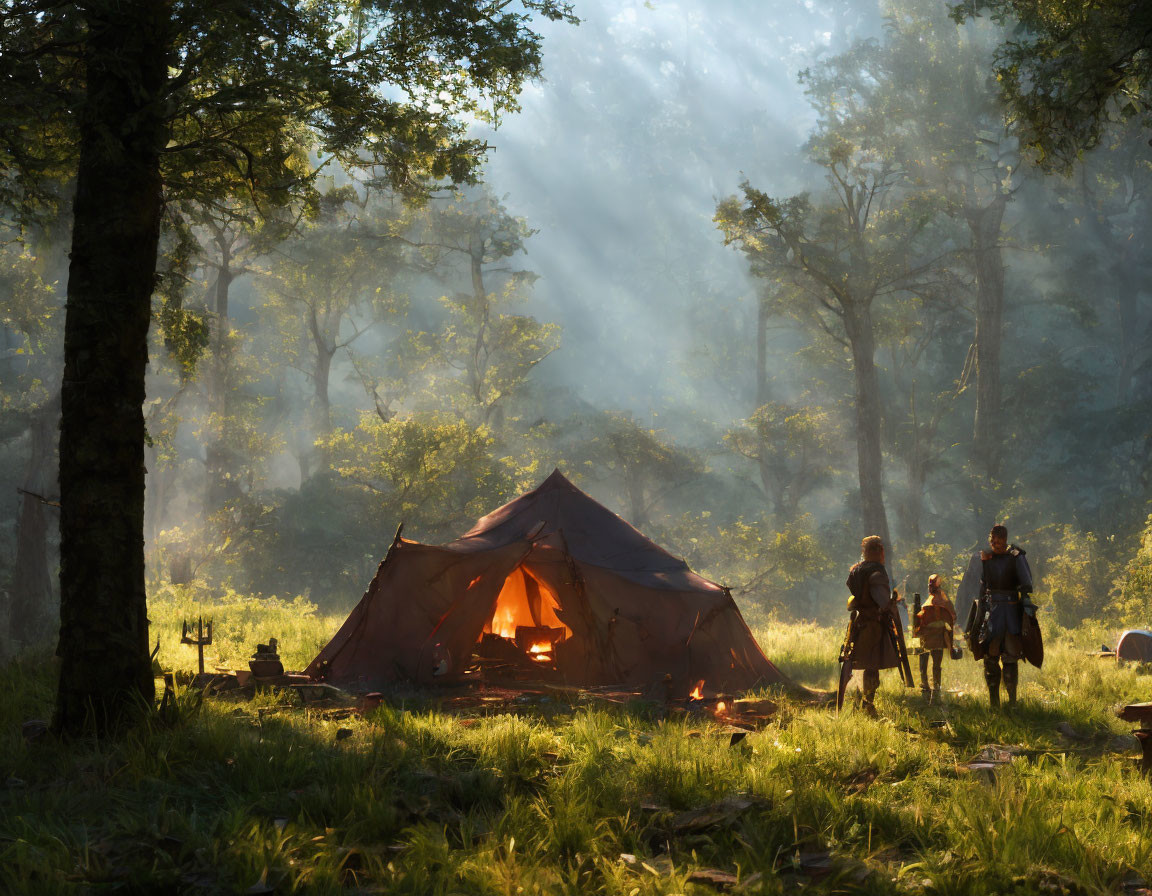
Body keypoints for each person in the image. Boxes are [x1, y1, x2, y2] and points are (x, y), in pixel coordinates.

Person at [966, 524, 1034, 708]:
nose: (995, 543)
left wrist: (1026, 605)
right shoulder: (986, 557)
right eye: (993, 539)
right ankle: (994, 703)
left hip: (1010, 613)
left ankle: (1012, 702)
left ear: (1005, 539)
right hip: (991, 614)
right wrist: (978, 615)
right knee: (990, 658)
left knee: (1011, 657)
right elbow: (983, 586)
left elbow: (1026, 584)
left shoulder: (1016, 557)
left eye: (999, 539)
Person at [845, 535, 904, 717]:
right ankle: (868, 705)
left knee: (863, 664)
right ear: (877, 551)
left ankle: (863, 703)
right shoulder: (876, 573)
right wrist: (892, 603)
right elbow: (883, 602)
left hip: (860, 623)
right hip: (874, 624)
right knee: (872, 666)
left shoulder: (857, 571)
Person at [913, 574, 956, 703]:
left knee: (926, 659)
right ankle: (932, 688)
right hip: (935, 635)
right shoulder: (943, 598)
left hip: (929, 635)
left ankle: (928, 686)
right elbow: (952, 615)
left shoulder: (937, 599)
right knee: (935, 663)